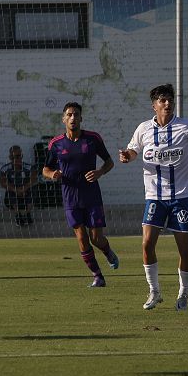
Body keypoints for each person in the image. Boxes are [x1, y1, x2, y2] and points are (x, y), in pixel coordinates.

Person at [119, 84, 188, 312]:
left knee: (183, 249)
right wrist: (128, 156)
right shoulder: (143, 128)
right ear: (154, 105)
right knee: (146, 244)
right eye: (162, 100)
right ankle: (154, 291)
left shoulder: (187, 126)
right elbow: (133, 150)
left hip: (181, 198)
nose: (167, 103)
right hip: (154, 197)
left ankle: (183, 292)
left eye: (170, 99)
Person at [42, 102, 120, 288]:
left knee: (96, 238)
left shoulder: (92, 139)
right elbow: (45, 168)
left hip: (91, 195)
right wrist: (52, 174)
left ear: (81, 118)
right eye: (69, 115)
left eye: (76, 114)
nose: (73, 118)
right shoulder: (56, 143)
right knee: (81, 238)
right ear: (63, 119)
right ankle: (98, 276)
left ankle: (107, 251)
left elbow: (109, 162)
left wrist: (100, 172)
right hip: (70, 196)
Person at [0, 144, 35, 226]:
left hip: (26, 193)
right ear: (10, 158)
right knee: (9, 192)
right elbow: (3, 183)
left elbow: (33, 180)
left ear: (22, 156)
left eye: (18, 156)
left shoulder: (29, 167)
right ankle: (18, 215)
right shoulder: (5, 169)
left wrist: (23, 189)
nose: (16, 159)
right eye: (13, 157)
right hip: (13, 194)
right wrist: (16, 190)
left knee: (34, 189)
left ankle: (27, 214)